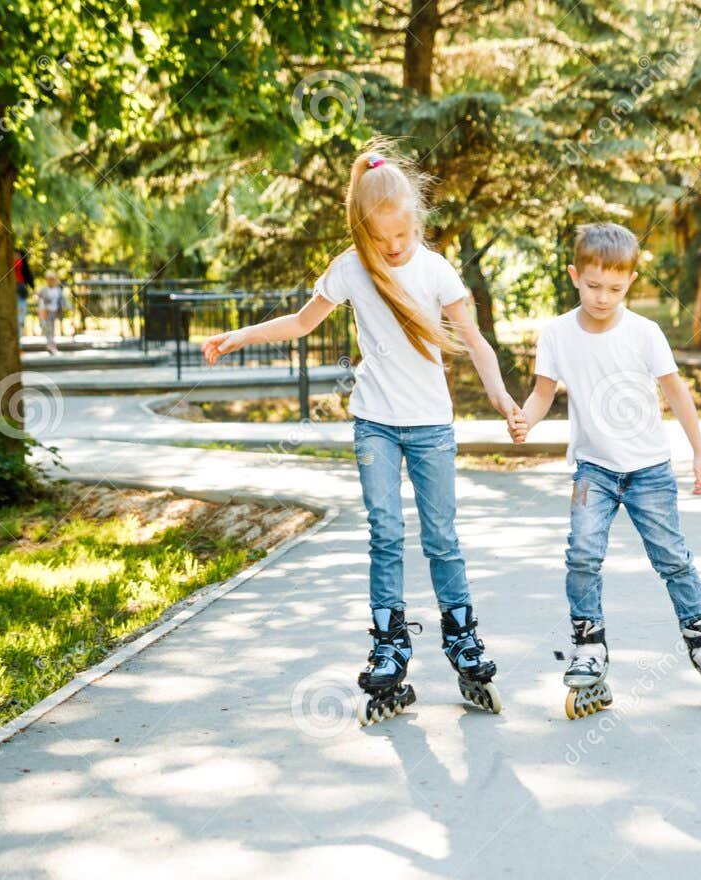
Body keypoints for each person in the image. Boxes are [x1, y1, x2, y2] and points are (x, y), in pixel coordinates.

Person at [200, 140, 524, 725]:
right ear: (361, 228)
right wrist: (238, 336)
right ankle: (390, 643)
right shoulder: (351, 267)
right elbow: (301, 323)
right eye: (382, 238)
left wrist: (502, 399)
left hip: (431, 426)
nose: (394, 247)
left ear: (415, 221)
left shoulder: (435, 269)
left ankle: (460, 637)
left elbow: (475, 342)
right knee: (384, 533)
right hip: (374, 421)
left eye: (402, 235)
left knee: (442, 536)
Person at [511, 222, 701, 716]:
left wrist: (699, 452)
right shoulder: (558, 334)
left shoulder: (644, 332)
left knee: (672, 558)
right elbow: (544, 392)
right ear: (574, 276)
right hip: (593, 471)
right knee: (582, 553)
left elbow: (675, 391)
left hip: (649, 469)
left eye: (614, 287)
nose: (602, 297)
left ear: (630, 281)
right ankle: (589, 644)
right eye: (592, 286)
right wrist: (526, 419)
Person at [37, 271, 67, 355]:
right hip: (47, 312)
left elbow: (63, 299)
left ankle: (51, 344)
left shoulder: (58, 290)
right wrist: (42, 312)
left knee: (52, 328)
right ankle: (50, 345)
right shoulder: (44, 290)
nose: (51, 281)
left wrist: (67, 306)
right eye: (49, 279)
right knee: (48, 328)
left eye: (53, 279)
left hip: (55, 311)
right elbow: (40, 302)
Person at [14, 248, 32, 335]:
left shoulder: (23, 265)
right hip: (13, 291)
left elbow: (28, 276)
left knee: (20, 314)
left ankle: (19, 344)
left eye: (17, 255)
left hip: (21, 291)